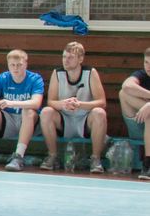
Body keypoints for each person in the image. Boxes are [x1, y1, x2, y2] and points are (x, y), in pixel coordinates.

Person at [39, 41, 110, 173]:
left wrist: (80, 104)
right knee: (46, 112)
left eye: (70, 57)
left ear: (80, 59)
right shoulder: (57, 73)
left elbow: (102, 102)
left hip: (85, 119)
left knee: (100, 113)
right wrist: (63, 104)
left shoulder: (90, 73)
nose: (66, 60)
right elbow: (51, 101)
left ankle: (95, 159)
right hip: (64, 118)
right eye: (64, 57)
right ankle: (53, 156)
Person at [117, 47, 150, 181]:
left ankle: (147, 164)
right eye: (146, 62)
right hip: (137, 123)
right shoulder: (141, 75)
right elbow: (127, 86)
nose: (148, 66)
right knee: (123, 93)